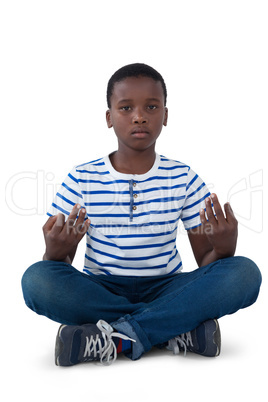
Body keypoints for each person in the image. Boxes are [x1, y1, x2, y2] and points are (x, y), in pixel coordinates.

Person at [21, 63, 262, 366]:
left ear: (165, 115)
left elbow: (206, 264)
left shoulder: (183, 178)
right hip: (101, 289)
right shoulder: (81, 177)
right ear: (109, 118)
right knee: (36, 280)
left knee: (244, 273)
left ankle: (116, 338)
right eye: (125, 107)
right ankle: (170, 329)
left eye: (151, 106)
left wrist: (226, 248)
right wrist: (53, 253)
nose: (139, 115)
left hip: (167, 288)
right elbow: (59, 266)